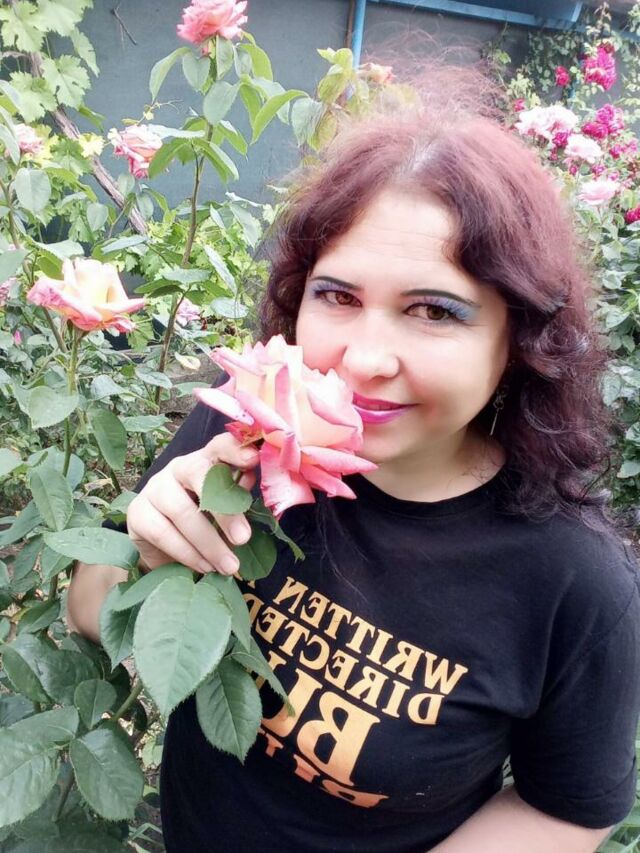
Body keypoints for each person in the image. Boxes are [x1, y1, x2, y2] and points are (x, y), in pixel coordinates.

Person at [67, 62, 640, 853]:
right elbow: (89, 610)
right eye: (337, 295)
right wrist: (146, 548)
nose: (365, 360)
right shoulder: (241, 427)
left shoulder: (573, 581)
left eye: (433, 310)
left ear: (519, 339)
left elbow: (570, 804)